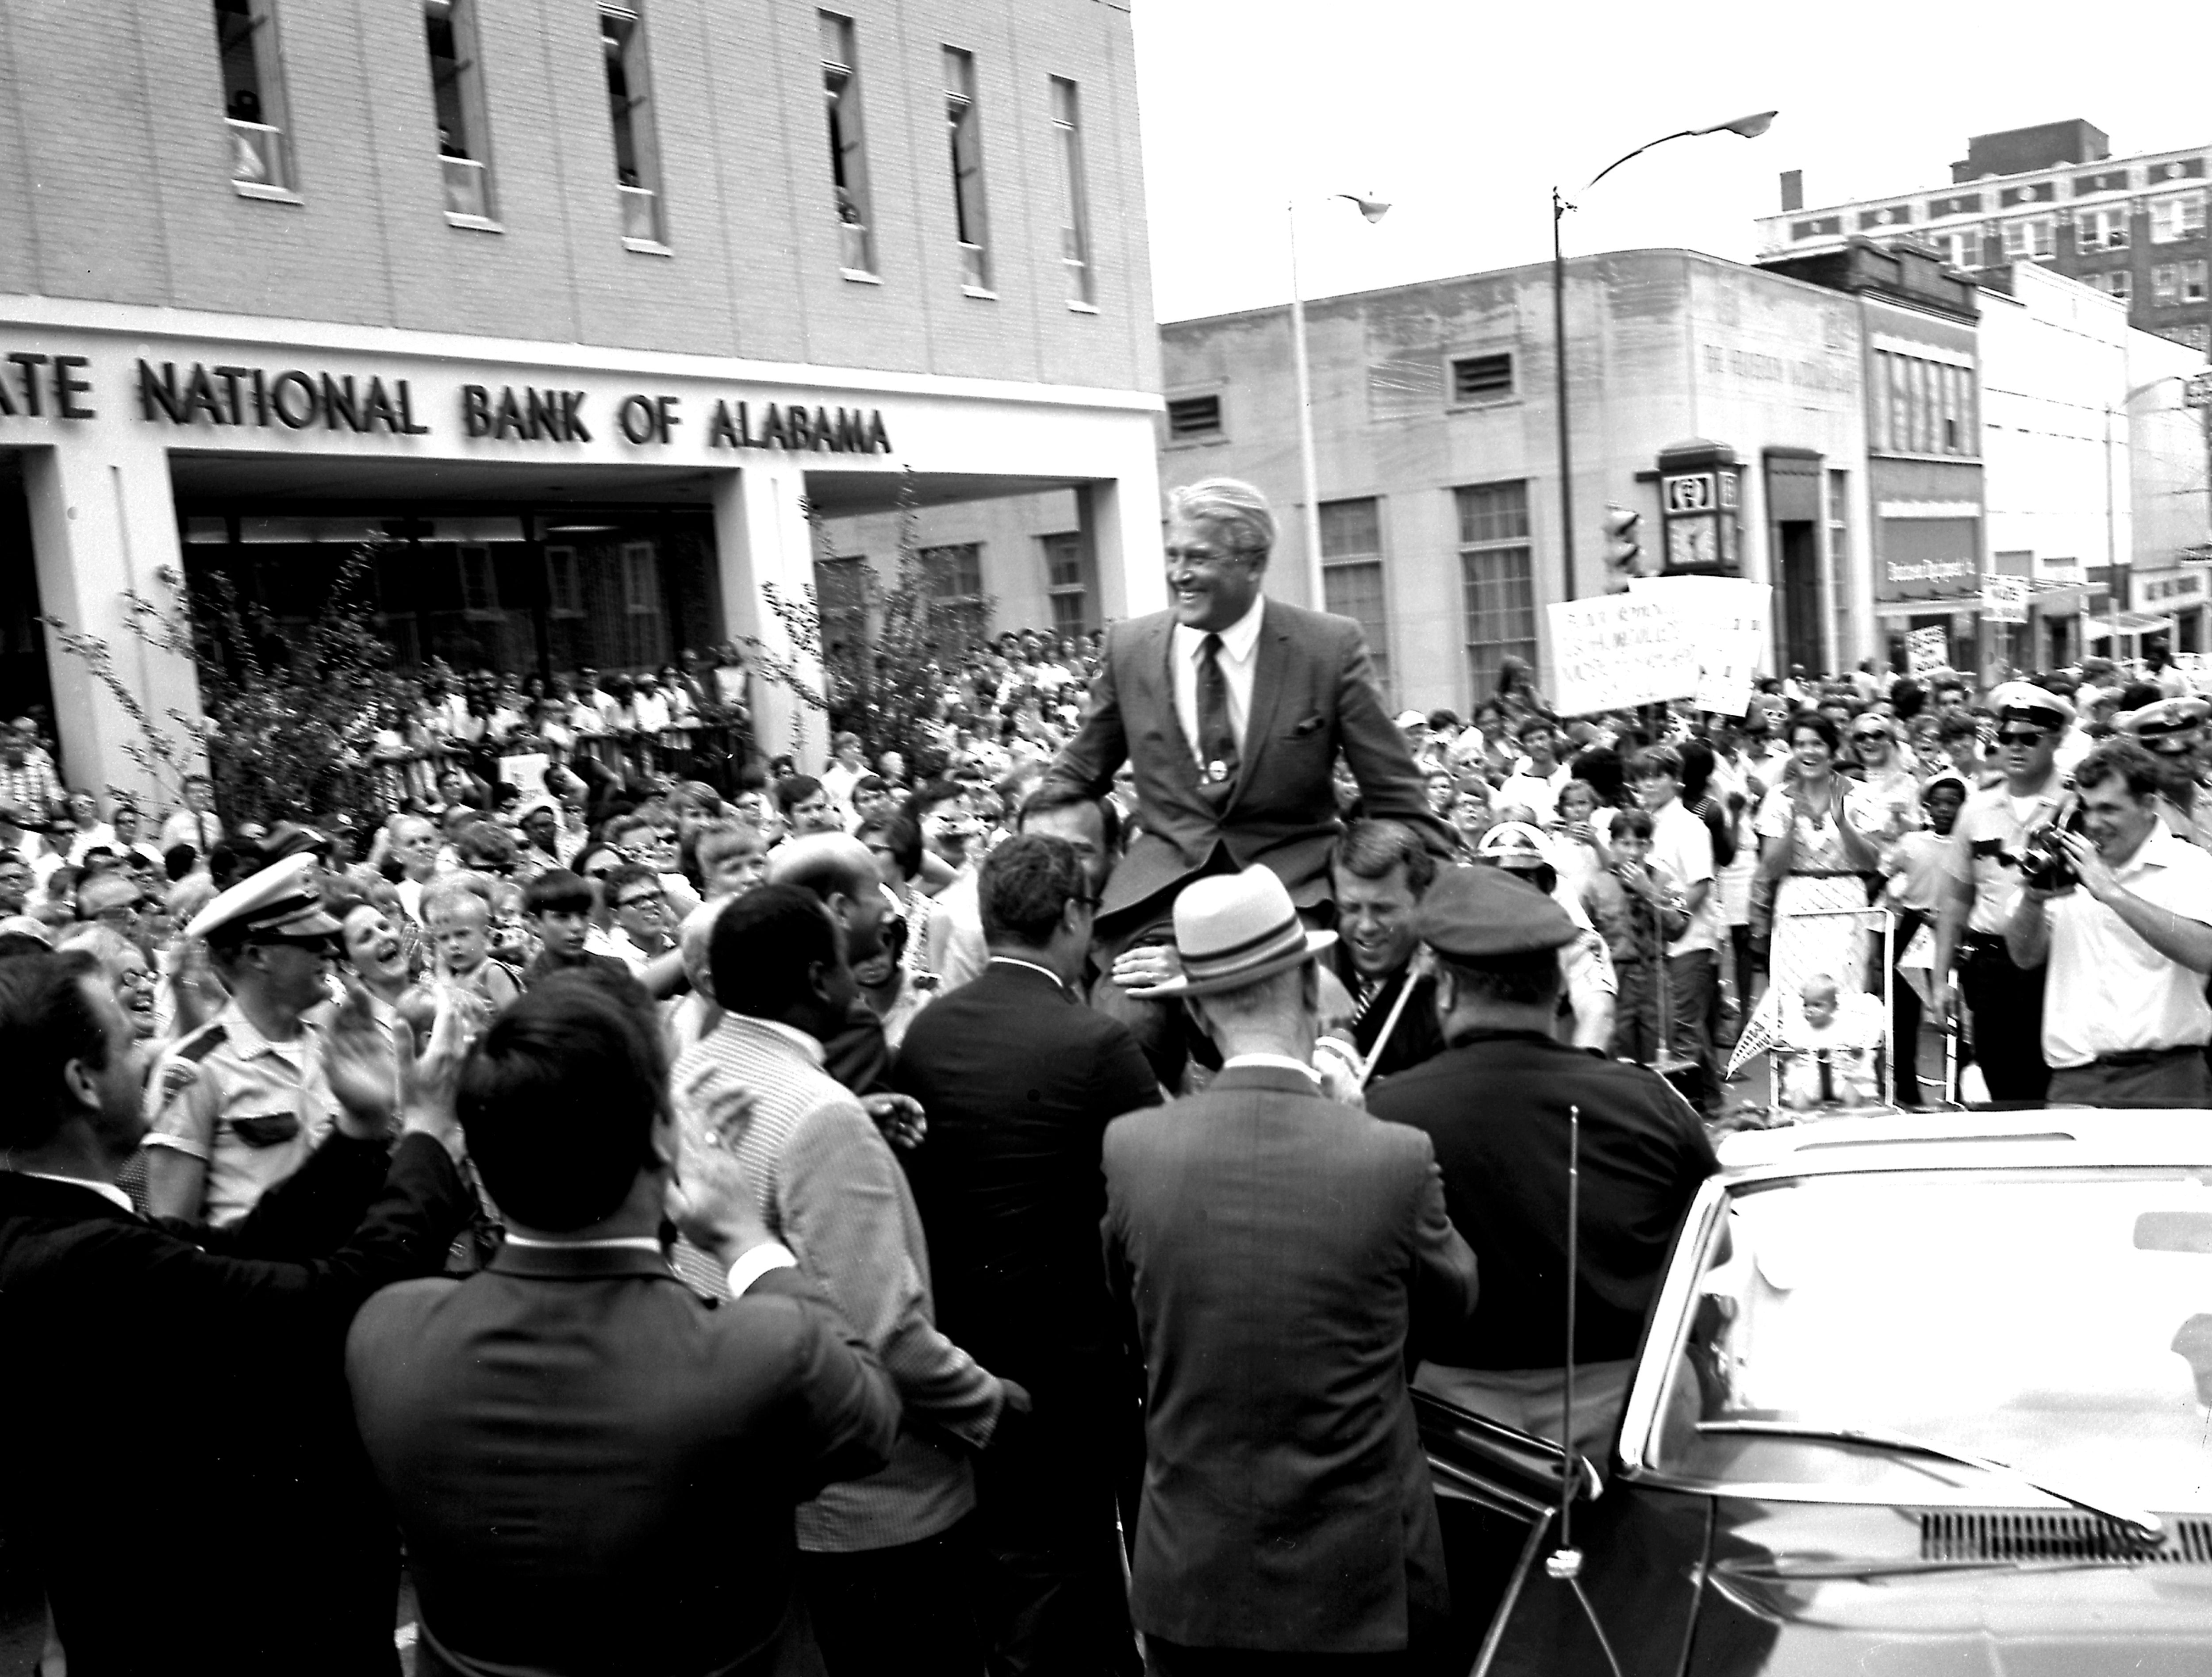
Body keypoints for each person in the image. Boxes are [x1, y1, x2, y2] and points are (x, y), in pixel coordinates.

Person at [345, 976, 901, 1677]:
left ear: (478, 1162)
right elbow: (871, 1414)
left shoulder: (388, 1330)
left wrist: (425, 1128)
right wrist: (741, 1237)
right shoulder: (761, 1349)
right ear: (663, 1136)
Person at [0, 949, 473, 1677]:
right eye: (130, 1041)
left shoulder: (55, 1225)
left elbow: (248, 1248)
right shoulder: (84, 1258)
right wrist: (428, 1139)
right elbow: (334, 1300)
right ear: (83, 1082)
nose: (154, 1052)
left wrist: (358, 1131)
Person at [1102, 866, 1478, 1671]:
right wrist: (1358, 1117)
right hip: (1364, 1586)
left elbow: (1131, 1315)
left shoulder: (1132, 1149)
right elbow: (1455, 1298)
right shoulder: (1392, 1154)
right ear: (1313, 983)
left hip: (1196, 1583)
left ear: (1198, 1010)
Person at [675, 886, 1024, 1675]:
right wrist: (990, 1403)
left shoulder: (699, 1067)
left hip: (765, 1490)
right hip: (874, 1512)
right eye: (843, 958)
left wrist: (849, 1114)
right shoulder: (819, 1115)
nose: (859, 971)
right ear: (816, 978)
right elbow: (887, 1335)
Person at [893, 835, 1160, 1674]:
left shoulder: (930, 1033)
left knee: (1021, 1573)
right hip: (1079, 1360)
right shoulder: (1096, 1045)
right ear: (1076, 916)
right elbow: (1145, 1200)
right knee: (1082, 1572)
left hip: (966, 1347)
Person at [1367, 864, 1716, 1459]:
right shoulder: (1647, 1102)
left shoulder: (1384, 1112)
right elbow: (1716, 1248)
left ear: (1446, 989)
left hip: (1463, 1439)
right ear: (1557, 987)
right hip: (1638, 1418)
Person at [1042, 477, 1450, 950]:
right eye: (1173, 556)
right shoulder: (1131, 648)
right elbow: (1077, 773)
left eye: (1198, 558)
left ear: (1254, 563)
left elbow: (1396, 796)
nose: (1179, 574)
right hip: (1160, 902)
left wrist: (1446, 910)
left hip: (1293, 896)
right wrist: (1031, 858)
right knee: (1130, 1014)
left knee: (1305, 1000)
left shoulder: (1328, 648)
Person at [140, 854, 353, 1228]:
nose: (330, 951)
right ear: (257, 955)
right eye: (312, 941)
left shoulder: (332, 1048)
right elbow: (173, 1232)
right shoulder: (194, 1069)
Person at [2005, 740, 2212, 1106]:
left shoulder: (2190, 865)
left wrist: (2112, 893)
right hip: (2074, 1080)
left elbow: (2205, 952)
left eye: (2109, 809)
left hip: (2165, 1077)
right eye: (2087, 807)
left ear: (2148, 805)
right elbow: (2023, 956)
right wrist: (2032, 901)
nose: (2095, 822)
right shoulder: (2066, 861)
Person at [1932, 683, 2072, 1103]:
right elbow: (1956, 899)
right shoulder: (1975, 810)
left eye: (2030, 738)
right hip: (1992, 966)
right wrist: (1941, 980)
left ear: (2056, 740)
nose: (2015, 747)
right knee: (2000, 1083)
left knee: (2058, 1084)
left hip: (2059, 962)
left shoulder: (2076, 804)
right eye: (2006, 738)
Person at [1326, 818, 1444, 1083]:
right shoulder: (1308, 966)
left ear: (1422, 900)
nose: (1366, 926)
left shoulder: (1445, 992)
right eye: (1351, 908)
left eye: (1384, 909)